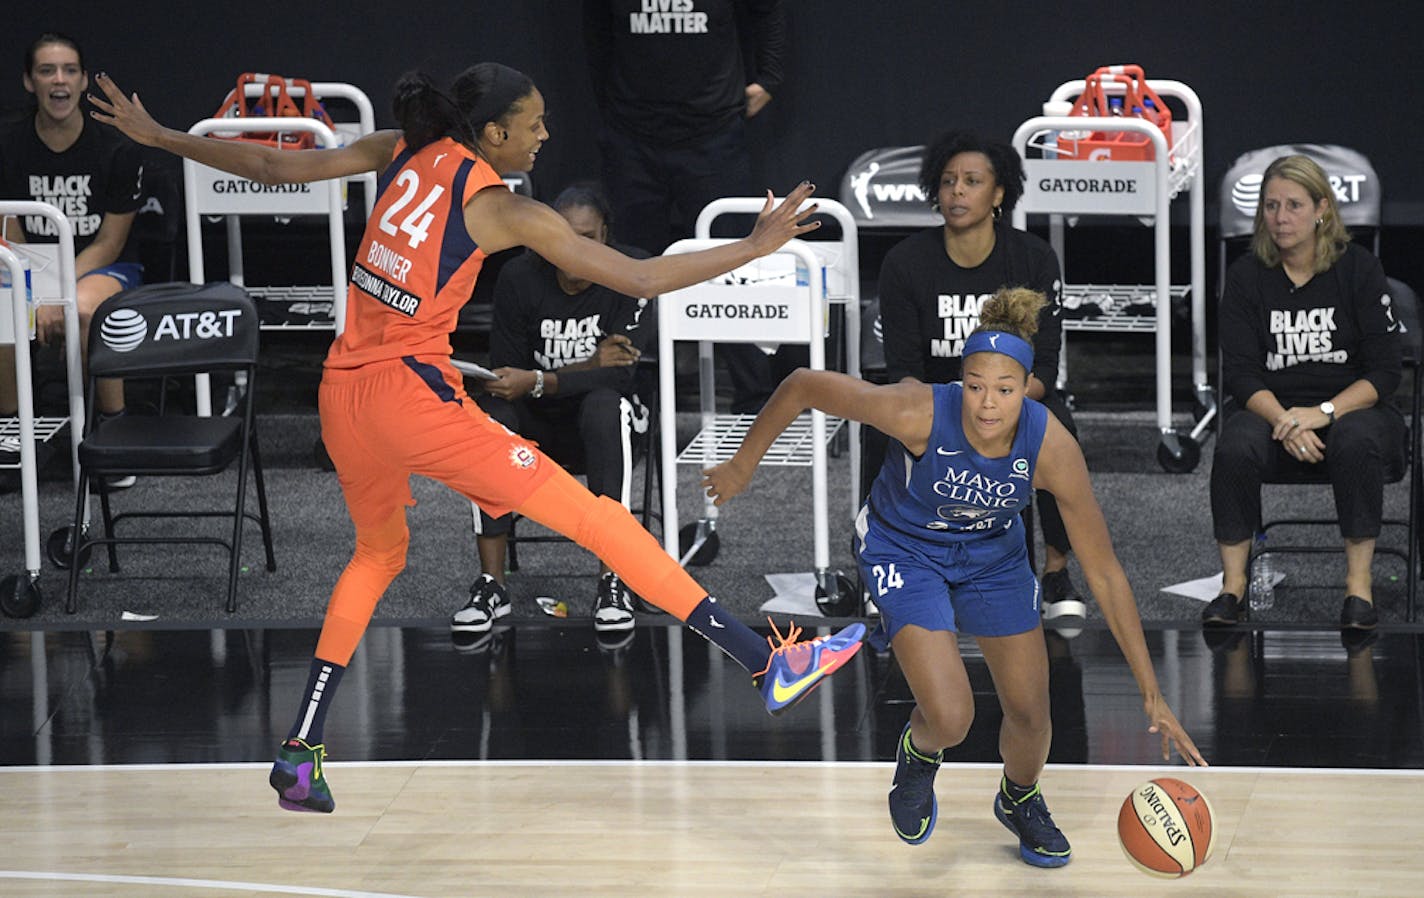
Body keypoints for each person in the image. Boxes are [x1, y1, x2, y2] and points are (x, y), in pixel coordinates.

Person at [90, 64, 865, 815]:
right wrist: (756, 247)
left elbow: (269, 164)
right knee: (599, 518)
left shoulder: (401, 146)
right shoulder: (500, 207)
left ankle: (301, 748)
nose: (544, 135)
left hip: (340, 393)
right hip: (408, 396)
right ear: (494, 131)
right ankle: (767, 663)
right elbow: (638, 280)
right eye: (533, 125)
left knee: (378, 554)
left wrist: (162, 135)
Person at [703, 287, 1205, 867]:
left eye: (1005, 390)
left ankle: (1019, 799)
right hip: (903, 549)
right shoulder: (916, 409)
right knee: (951, 716)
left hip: (992, 557)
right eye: (974, 386)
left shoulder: (1051, 447)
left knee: (1031, 711)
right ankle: (919, 755)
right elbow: (801, 384)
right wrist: (743, 465)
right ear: (959, 380)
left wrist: (1151, 692)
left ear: (1029, 388)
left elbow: (1106, 574)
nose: (987, 404)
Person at [877, 130, 1087, 625]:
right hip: (935, 404)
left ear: (998, 194)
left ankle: (1056, 568)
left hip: (1015, 398)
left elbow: (1046, 369)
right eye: (948, 181)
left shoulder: (1032, 259)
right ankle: (889, 567)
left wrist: (997, 407)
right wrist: (954, 413)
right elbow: (903, 369)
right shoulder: (905, 263)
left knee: (1058, 427)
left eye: (972, 181)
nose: (956, 192)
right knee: (879, 429)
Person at [1204, 154, 1403, 632]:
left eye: (1294, 205)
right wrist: (1285, 419)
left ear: (1322, 210)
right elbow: (1243, 374)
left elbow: (1385, 372)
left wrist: (1323, 412)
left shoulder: (1358, 269)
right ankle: (1232, 588)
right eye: (1271, 206)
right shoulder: (1247, 276)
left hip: (1353, 411)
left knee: (1355, 440)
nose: (1280, 217)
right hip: (1274, 413)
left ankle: (1358, 588)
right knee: (1233, 444)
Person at [450, 184, 657, 641]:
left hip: (611, 426)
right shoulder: (518, 278)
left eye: (587, 238)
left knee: (605, 407)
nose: (573, 250)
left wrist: (543, 379)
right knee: (490, 419)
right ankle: (492, 585)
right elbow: (507, 375)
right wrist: (586, 366)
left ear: (607, 238)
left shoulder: (632, 273)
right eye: (562, 236)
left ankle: (613, 580)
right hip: (537, 423)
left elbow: (618, 378)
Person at [584, 0, 787, 414]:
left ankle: (754, 404)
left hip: (712, 133)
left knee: (734, 263)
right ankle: (631, 402)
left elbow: (768, 10)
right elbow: (595, 30)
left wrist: (770, 76)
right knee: (628, 269)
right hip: (631, 134)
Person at [0, 34, 143, 476]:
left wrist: (54, 292)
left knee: (83, 309)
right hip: (28, 263)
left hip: (103, 266)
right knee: (3, 306)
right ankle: (11, 433)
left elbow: (109, 243)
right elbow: (11, 231)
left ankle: (112, 431)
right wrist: (31, 292)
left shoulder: (117, 146)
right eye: (47, 70)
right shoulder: (8, 144)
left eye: (69, 71)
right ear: (29, 81)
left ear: (83, 82)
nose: (58, 80)